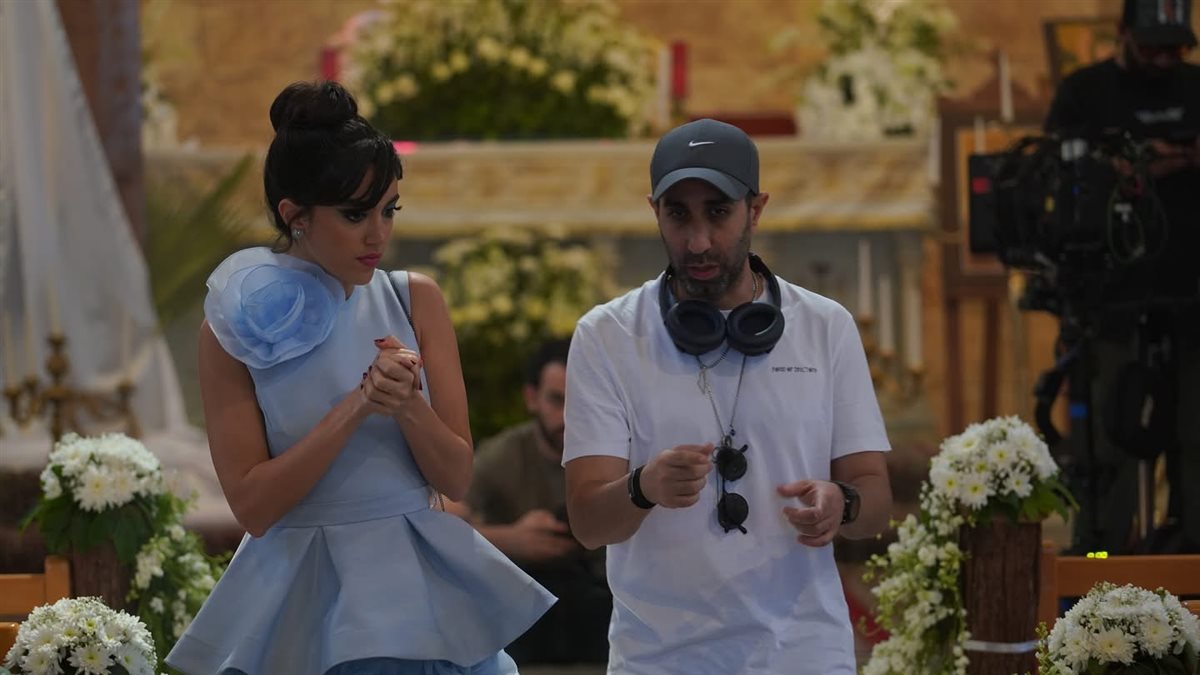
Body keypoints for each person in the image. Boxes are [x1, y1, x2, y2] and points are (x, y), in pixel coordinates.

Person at [166, 81, 554, 675]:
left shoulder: (415, 299)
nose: (378, 234)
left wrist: (408, 406)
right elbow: (253, 507)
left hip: (418, 582)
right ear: (295, 215)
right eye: (355, 214)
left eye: (389, 209)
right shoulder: (231, 329)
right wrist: (355, 407)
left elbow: (455, 475)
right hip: (302, 591)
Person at [561, 118, 893, 674]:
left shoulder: (825, 326)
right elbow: (589, 524)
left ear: (755, 209)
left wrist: (843, 502)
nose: (697, 241)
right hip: (659, 661)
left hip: (803, 655)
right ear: (655, 212)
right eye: (678, 215)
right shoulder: (607, 336)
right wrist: (644, 487)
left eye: (717, 212)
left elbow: (875, 498)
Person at [1044, 0, 1200, 555]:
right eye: (1152, 47)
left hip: (1192, 294)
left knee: (1194, 434)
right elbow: (1056, 175)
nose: (1164, 60)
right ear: (1124, 34)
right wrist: (1122, 167)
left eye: (1175, 49)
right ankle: (1099, 566)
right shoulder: (1085, 93)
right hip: (1110, 298)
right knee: (1111, 440)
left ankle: (1192, 562)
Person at [464, 338, 611, 665]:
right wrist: (512, 540)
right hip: (521, 611)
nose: (569, 417)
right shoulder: (502, 456)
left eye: (581, 402)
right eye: (557, 400)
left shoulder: (619, 453)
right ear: (532, 398)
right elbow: (440, 522)